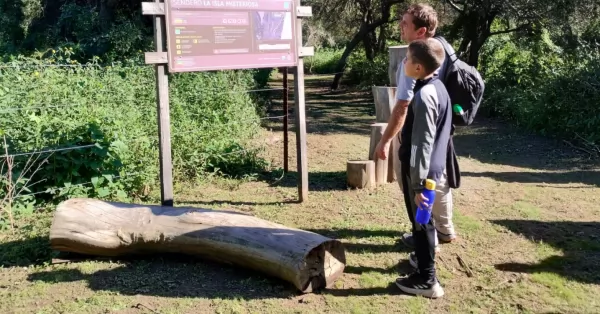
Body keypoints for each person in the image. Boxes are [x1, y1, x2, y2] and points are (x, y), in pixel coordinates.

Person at [378, 3, 457, 255]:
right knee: (438, 177)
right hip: (442, 126)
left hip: (419, 132)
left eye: (405, 23)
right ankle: (444, 229)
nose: (400, 26)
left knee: (417, 185)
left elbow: (402, 105)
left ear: (421, 31)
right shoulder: (443, 49)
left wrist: (387, 140)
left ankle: (426, 238)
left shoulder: (413, 60)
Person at [381, 37, 451, 298]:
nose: (404, 62)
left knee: (421, 224)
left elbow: (422, 145)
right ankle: (424, 263)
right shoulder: (438, 86)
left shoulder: (424, 97)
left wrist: (419, 185)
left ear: (419, 68)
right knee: (423, 222)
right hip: (430, 172)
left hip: (422, 175)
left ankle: (427, 280)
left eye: (408, 59)